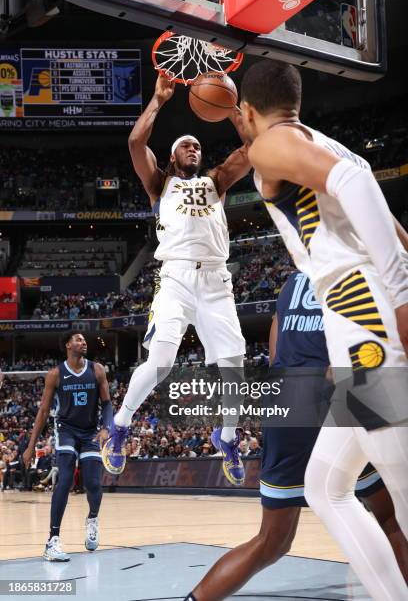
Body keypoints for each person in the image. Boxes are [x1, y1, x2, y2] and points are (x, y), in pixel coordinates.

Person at [236, 59, 408, 599]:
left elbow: (355, 184)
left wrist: (401, 299)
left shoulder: (271, 145)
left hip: (366, 322)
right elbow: (398, 234)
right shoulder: (327, 143)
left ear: (245, 111)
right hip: (363, 324)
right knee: (325, 485)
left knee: (405, 494)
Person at [186, 271, 408, 600]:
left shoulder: (291, 281)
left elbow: (276, 356)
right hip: (339, 389)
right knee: (390, 520)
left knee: (271, 541)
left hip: (285, 396)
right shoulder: (358, 264)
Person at [103, 74, 251, 485]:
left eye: (198, 145)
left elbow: (252, 149)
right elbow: (136, 144)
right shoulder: (160, 183)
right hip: (176, 279)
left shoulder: (216, 182)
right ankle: (120, 425)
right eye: (186, 145)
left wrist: (232, 108)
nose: (194, 148)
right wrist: (158, 99)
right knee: (162, 361)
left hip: (217, 281)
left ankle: (226, 437)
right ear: (172, 155)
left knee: (235, 367)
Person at [23, 331, 113, 562]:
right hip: (66, 430)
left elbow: (107, 404)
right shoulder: (55, 374)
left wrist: (107, 428)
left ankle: (92, 518)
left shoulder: (97, 370)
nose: (83, 342)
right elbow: (43, 411)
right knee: (64, 479)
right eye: (78, 339)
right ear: (67, 345)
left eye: (84, 339)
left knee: (93, 483)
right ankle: (52, 540)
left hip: (91, 431)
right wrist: (31, 446)